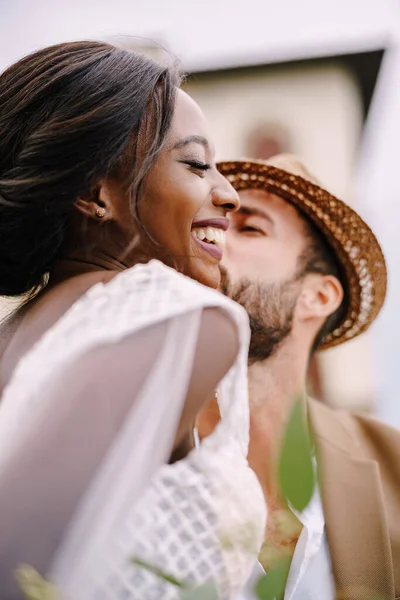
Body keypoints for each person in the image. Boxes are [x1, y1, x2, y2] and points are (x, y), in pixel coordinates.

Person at [0, 42, 266, 599]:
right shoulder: (171, 318)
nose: (229, 193)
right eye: (195, 164)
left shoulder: (16, 337)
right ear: (97, 195)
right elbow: (16, 556)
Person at [197, 154, 399, 600]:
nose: (211, 240)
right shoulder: (131, 450)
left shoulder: (395, 467)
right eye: (208, 226)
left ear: (318, 295)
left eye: (249, 228)